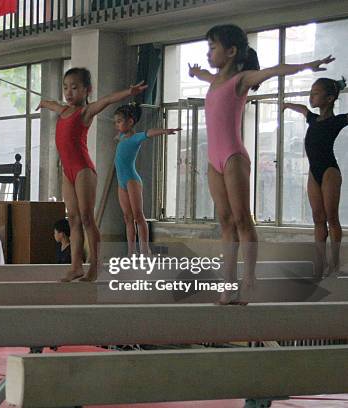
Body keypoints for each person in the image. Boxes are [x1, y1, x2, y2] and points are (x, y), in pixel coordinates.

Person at [188, 23, 334, 304]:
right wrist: (195, 72)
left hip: (233, 156)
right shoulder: (214, 80)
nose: (209, 53)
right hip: (213, 160)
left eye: (213, 47)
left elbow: (275, 70)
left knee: (242, 218)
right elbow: (205, 73)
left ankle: (249, 279)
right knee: (225, 220)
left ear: (231, 52)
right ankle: (228, 284)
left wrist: (309, 65)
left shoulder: (241, 80)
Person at [37, 67, 147, 282]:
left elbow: (106, 100)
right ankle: (76, 266)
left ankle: (95, 266)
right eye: (66, 88)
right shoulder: (63, 111)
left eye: (75, 88)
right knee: (74, 220)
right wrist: (44, 103)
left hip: (83, 170)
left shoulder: (85, 112)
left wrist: (128, 92)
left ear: (87, 90)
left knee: (87, 218)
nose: (69, 93)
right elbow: (53, 104)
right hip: (67, 172)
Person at [283, 76, 347, 277]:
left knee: (332, 218)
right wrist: (286, 104)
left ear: (329, 99)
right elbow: (303, 109)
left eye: (315, 93)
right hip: (314, 172)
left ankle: (334, 264)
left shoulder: (337, 121)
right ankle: (319, 264)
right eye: (310, 93)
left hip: (329, 171)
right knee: (318, 218)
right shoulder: (312, 118)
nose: (311, 97)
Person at [113, 102, 180, 255]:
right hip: (121, 182)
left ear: (130, 122)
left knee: (138, 215)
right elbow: (119, 136)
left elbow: (149, 133)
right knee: (127, 217)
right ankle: (131, 251)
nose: (116, 125)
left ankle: (145, 248)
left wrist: (164, 130)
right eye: (115, 122)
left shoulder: (136, 137)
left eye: (119, 121)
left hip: (132, 180)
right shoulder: (122, 136)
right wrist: (118, 135)